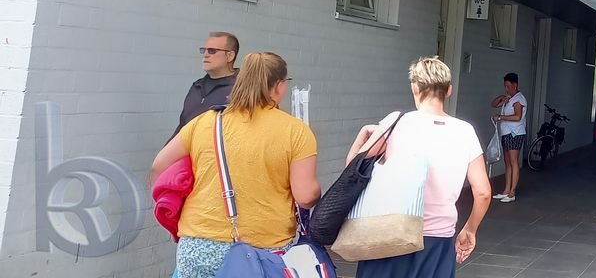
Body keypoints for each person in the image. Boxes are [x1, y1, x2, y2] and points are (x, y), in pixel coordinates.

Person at [150, 52, 320, 278]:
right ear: (278, 86)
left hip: (197, 245)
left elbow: (160, 165)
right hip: (260, 251)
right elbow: (305, 196)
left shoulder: (206, 121)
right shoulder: (295, 131)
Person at [348, 56, 491, 277]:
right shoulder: (465, 131)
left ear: (415, 87)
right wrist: (469, 229)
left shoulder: (396, 123)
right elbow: (483, 193)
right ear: (449, 90)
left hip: (391, 232)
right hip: (439, 239)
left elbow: (352, 172)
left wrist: (362, 135)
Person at [174, 31, 240, 137]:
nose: (205, 55)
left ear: (230, 56)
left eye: (212, 51)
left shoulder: (241, 89)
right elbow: (182, 127)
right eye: (204, 50)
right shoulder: (197, 87)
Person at [490, 72, 526, 203]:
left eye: (508, 86)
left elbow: (518, 117)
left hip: (515, 133)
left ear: (515, 85)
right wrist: (501, 98)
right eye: (505, 86)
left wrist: (500, 117)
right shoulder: (509, 98)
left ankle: (512, 192)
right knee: (507, 162)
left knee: (513, 162)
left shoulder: (519, 99)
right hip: (506, 133)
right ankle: (506, 190)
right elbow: (494, 104)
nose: (506, 89)